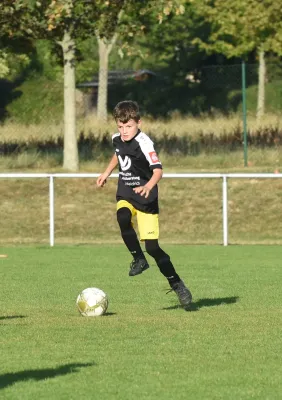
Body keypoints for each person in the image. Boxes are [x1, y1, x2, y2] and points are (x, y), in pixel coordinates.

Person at [96, 100, 192, 309]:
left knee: (153, 248)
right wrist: (106, 173)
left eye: (128, 126)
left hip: (146, 197)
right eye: (120, 127)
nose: (124, 131)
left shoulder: (145, 143)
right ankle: (138, 259)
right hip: (126, 192)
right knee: (122, 216)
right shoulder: (117, 138)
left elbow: (158, 170)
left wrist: (148, 186)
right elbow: (118, 154)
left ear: (138, 122)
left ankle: (177, 283)